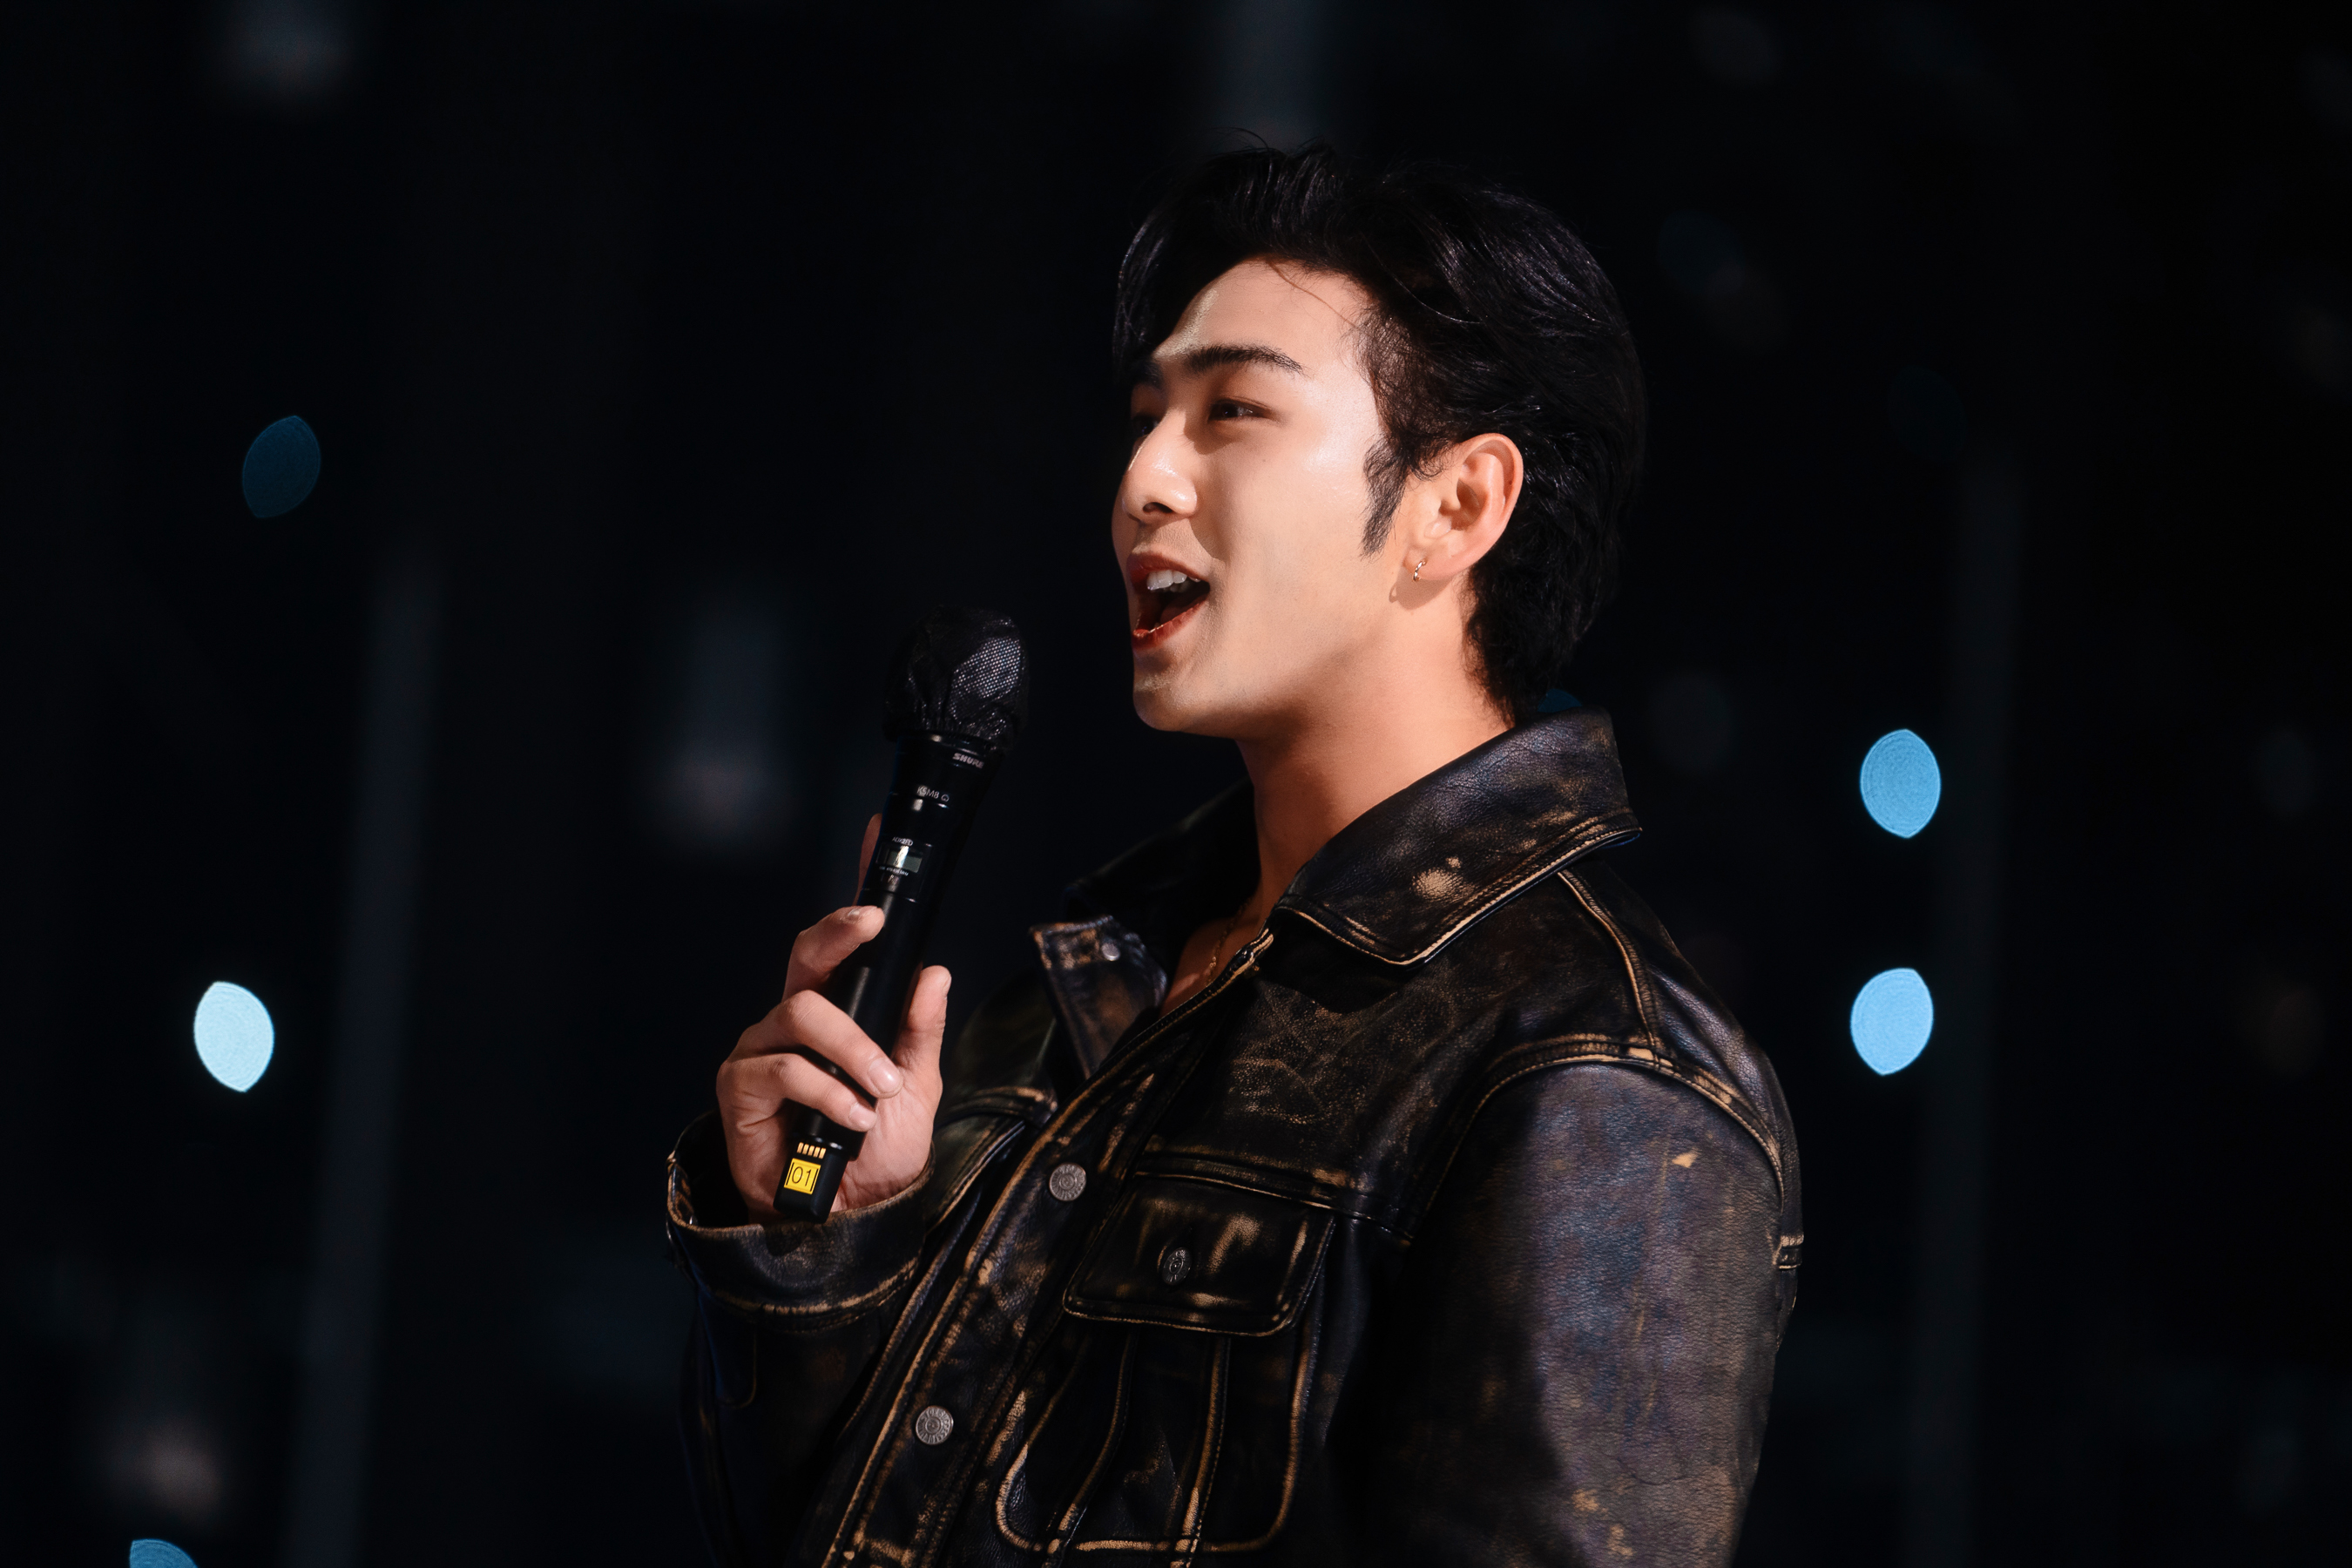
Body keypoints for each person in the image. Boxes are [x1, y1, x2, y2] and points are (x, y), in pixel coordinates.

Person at [664, 145, 1801, 1567]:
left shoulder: (1590, 1076)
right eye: (1148, 417)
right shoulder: (1073, 1011)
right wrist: (836, 1247)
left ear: (1457, 506)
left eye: (1234, 412)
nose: (1144, 478)